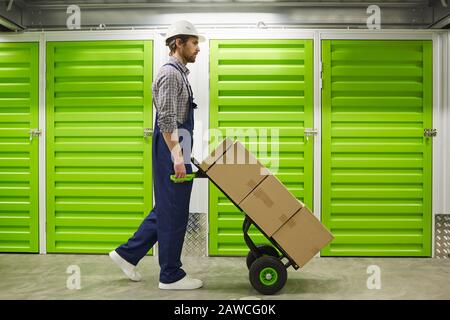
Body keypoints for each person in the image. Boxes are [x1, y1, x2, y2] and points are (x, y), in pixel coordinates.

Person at [109, 20, 205, 290]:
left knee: (168, 208)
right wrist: (177, 156)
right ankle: (170, 275)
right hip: (171, 147)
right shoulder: (170, 74)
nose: (198, 48)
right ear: (179, 43)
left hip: (177, 145)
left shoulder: (180, 74)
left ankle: (127, 254)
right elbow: (166, 120)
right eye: (194, 43)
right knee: (173, 211)